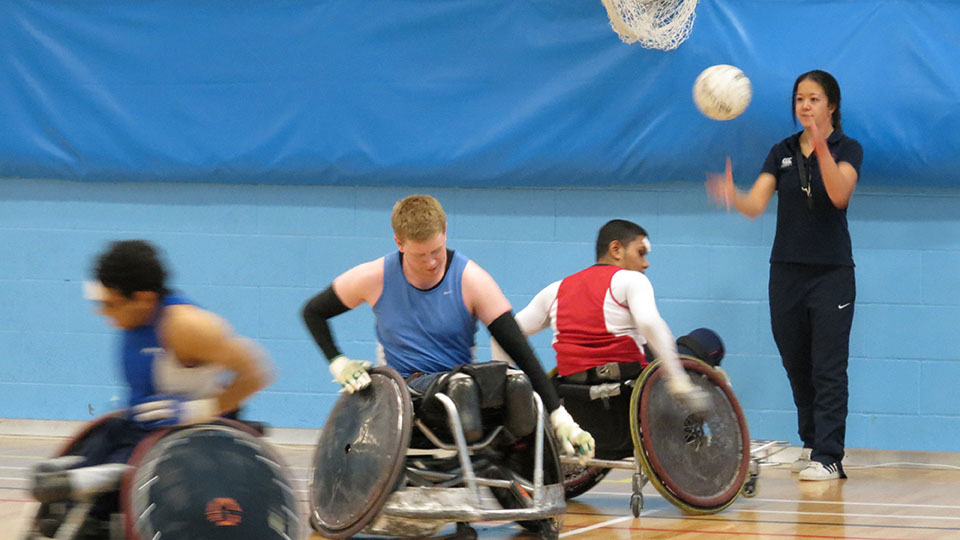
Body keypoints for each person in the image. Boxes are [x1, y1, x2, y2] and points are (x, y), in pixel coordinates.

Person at [301, 194, 595, 462]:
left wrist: (560, 416)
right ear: (399, 244)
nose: (431, 262)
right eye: (420, 255)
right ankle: (475, 461)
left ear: (445, 233)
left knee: (516, 383)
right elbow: (313, 312)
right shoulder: (374, 277)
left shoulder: (472, 279)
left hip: (461, 383)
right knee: (460, 386)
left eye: (437, 251)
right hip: (408, 393)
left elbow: (521, 350)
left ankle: (507, 456)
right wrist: (337, 361)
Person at [31, 240, 272, 528]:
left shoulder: (187, 326)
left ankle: (102, 482)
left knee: (84, 487)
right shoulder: (133, 317)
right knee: (54, 493)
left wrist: (199, 410)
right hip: (140, 430)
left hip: (190, 440)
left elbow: (257, 373)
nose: (102, 312)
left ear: (144, 299)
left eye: (110, 304)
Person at [706, 70, 862, 481]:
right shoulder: (782, 151)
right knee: (796, 362)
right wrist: (732, 195)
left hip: (831, 273)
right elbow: (756, 203)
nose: (805, 106)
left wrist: (822, 145)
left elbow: (838, 194)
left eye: (813, 99)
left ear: (831, 105)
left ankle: (829, 454)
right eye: (799, 99)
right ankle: (812, 443)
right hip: (786, 272)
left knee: (828, 366)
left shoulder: (849, 149)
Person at [490, 219, 711, 456]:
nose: (646, 263)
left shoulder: (555, 290)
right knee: (704, 341)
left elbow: (504, 334)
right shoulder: (632, 280)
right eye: (641, 253)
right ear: (616, 250)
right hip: (630, 403)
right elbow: (649, 323)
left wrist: (510, 387)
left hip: (578, 404)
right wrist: (677, 378)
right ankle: (691, 423)